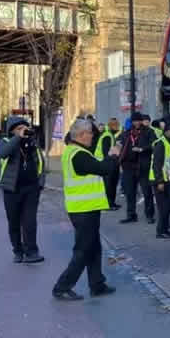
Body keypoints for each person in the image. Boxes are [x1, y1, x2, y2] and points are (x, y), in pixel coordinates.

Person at [52, 119, 121, 301]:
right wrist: (113, 155)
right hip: (84, 209)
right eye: (90, 133)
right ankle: (62, 287)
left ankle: (97, 284)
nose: (92, 136)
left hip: (84, 208)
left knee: (94, 247)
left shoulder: (74, 150)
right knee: (83, 250)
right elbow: (104, 168)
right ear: (82, 136)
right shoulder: (79, 155)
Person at [0, 116, 46, 264]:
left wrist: (40, 183)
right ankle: (18, 251)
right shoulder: (5, 142)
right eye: (19, 129)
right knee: (14, 222)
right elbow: (3, 153)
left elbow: (40, 162)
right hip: (11, 190)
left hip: (31, 188)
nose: (23, 131)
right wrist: (17, 138)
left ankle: (31, 252)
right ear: (12, 131)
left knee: (30, 221)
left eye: (24, 128)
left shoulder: (31, 143)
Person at [118, 113, 155, 224]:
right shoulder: (127, 133)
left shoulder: (149, 132)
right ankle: (131, 215)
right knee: (130, 192)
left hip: (143, 166)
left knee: (147, 192)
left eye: (139, 121)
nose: (137, 123)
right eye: (134, 121)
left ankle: (149, 215)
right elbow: (119, 144)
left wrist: (142, 149)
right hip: (129, 167)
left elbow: (154, 144)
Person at [93, 117, 122, 210]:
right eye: (116, 125)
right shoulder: (107, 136)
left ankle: (112, 203)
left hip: (108, 163)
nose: (118, 127)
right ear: (111, 126)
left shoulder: (109, 135)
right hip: (106, 164)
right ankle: (108, 204)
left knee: (112, 184)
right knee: (108, 185)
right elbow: (106, 152)